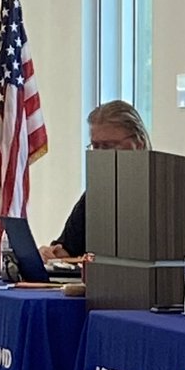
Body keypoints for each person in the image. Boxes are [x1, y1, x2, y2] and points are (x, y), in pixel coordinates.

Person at [40, 100, 149, 261]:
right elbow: (69, 249)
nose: (99, 154)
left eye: (108, 146)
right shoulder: (96, 194)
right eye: (95, 146)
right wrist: (51, 253)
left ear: (138, 144)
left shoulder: (158, 191)